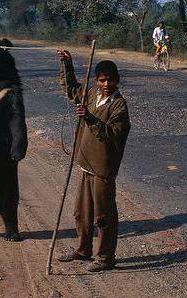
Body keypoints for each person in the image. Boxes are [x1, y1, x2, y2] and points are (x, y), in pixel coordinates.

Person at [55, 50, 131, 272]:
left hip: (103, 169)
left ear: (117, 81)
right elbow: (70, 89)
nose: (106, 83)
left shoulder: (119, 106)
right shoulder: (90, 94)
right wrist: (66, 64)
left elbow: (112, 134)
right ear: (97, 81)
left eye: (110, 79)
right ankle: (83, 250)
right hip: (85, 163)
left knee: (103, 215)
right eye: (102, 80)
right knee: (82, 212)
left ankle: (105, 258)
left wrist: (89, 117)